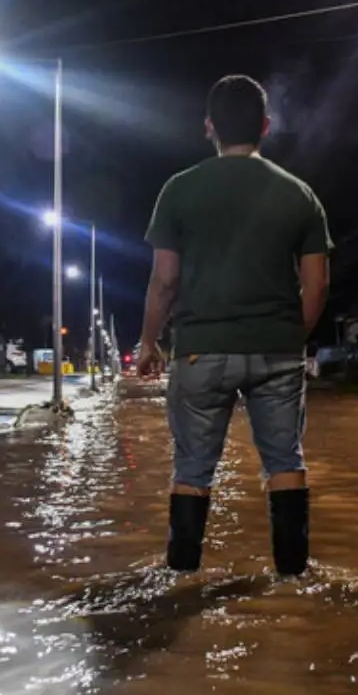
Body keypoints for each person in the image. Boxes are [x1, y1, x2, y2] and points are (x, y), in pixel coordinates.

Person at [137, 75, 332, 577]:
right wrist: (292, 337)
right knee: (285, 463)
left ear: (209, 128)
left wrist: (149, 342)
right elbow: (317, 287)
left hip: (200, 350)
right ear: (266, 127)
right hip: (278, 351)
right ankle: (292, 581)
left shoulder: (178, 190)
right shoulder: (299, 195)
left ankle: (181, 581)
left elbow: (164, 280)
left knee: (192, 471)